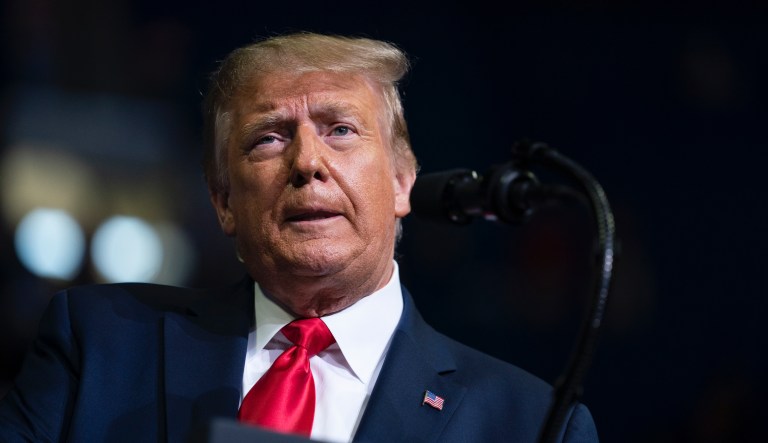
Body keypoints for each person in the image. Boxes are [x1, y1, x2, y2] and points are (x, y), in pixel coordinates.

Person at [0, 32, 599, 442]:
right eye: (269, 138)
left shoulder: (530, 424)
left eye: (340, 130)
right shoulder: (98, 346)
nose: (308, 162)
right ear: (223, 201)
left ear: (402, 182)